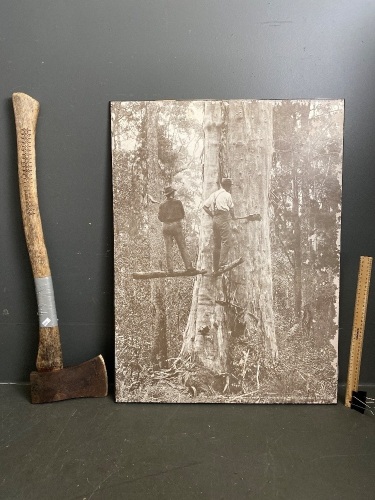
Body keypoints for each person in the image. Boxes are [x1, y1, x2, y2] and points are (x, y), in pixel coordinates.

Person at [158, 186, 195, 273]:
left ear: (166, 195)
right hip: (176, 225)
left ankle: (170, 268)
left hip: (166, 226)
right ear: (172, 193)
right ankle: (188, 266)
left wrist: (167, 220)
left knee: (168, 247)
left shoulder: (162, 204)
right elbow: (182, 214)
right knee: (182, 246)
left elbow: (160, 218)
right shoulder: (178, 203)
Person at [203, 178, 235, 273]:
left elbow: (205, 206)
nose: (230, 188)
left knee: (217, 244)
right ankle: (222, 264)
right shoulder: (227, 195)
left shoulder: (214, 194)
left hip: (215, 220)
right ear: (227, 186)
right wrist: (233, 217)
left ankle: (215, 268)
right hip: (223, 218)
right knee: (227, 241)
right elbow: (231, 208)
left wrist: (212, 215)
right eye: (229, 186)